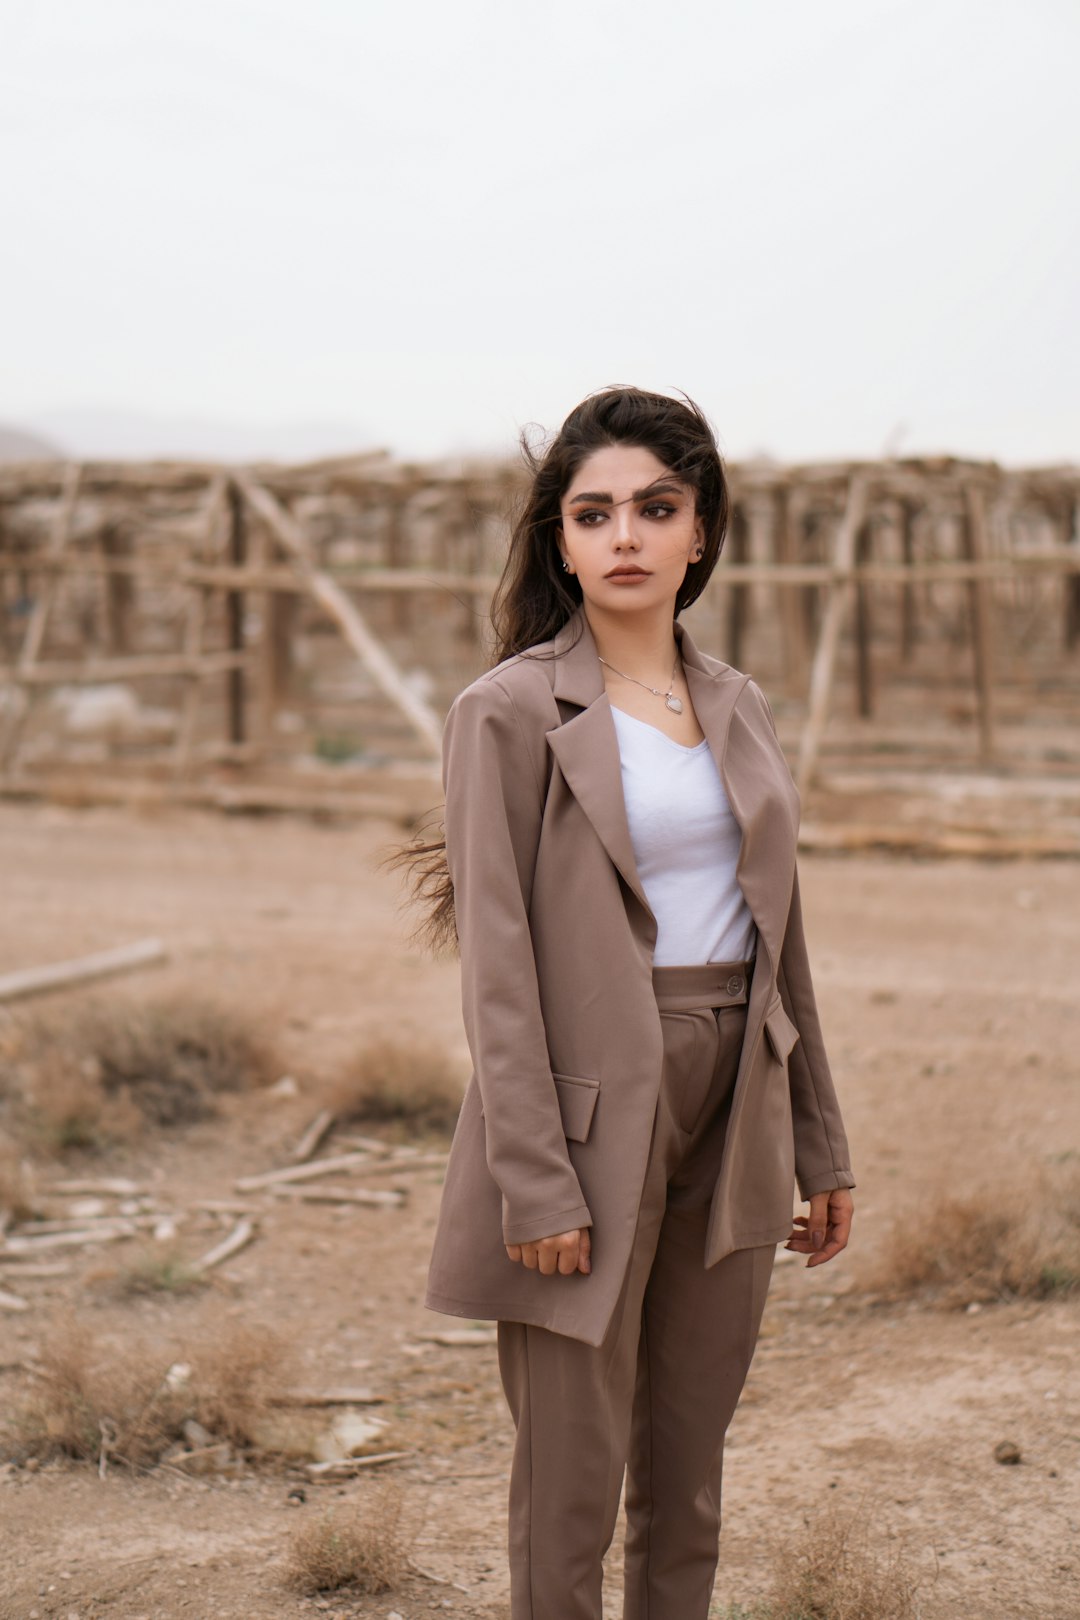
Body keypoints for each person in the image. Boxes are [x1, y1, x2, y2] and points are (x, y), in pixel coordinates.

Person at [391, 385, 855, 1620]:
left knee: (688, 1467)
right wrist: (532, 1178)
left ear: (702, 529)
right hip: (589, 1103)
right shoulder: (505, 713)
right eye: (593, 514)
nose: (626, 536)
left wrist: (820, 1142)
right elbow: (497, 963)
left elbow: (785, 940)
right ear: (562, 540)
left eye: (657, 507)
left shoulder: (740, 707)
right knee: (572, 1476)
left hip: (735, 1097)